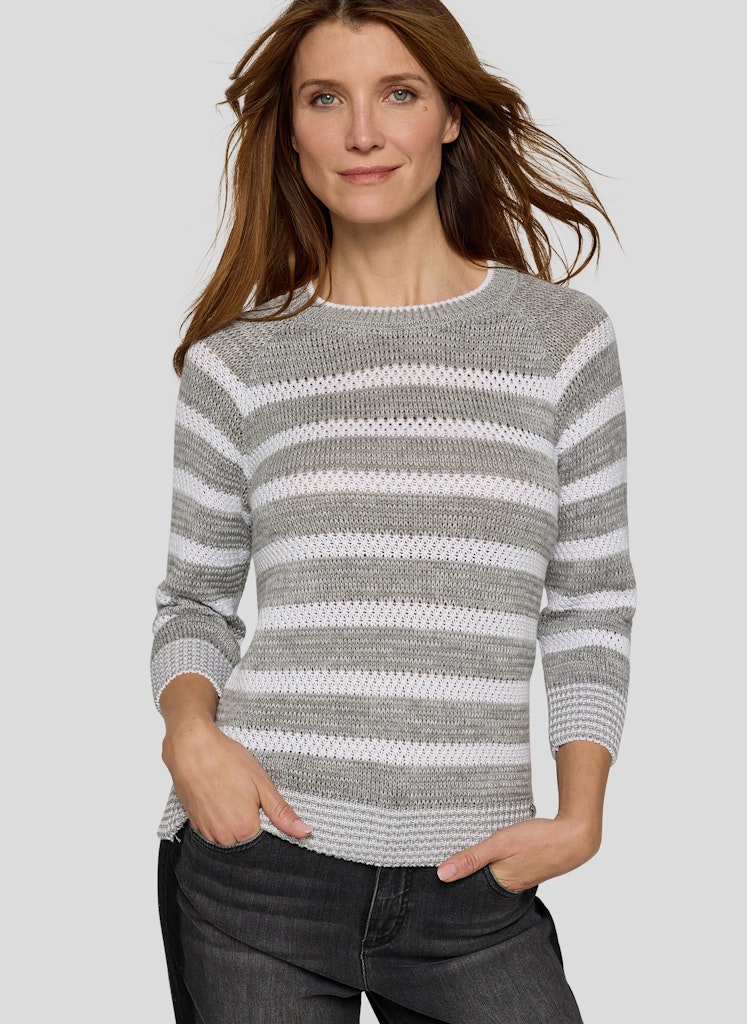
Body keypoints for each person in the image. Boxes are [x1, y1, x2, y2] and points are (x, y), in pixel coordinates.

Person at [151, 1, 637, 1021]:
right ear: (291, 130)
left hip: (475, 885)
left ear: (451, 115)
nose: (362, 132)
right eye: (326, 99)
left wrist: (580, 814)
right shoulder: (238, 362)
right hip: (257, 869)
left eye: (399, 93)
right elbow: (194, 600)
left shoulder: (561, 341)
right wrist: (189, 733)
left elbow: (590, 602)